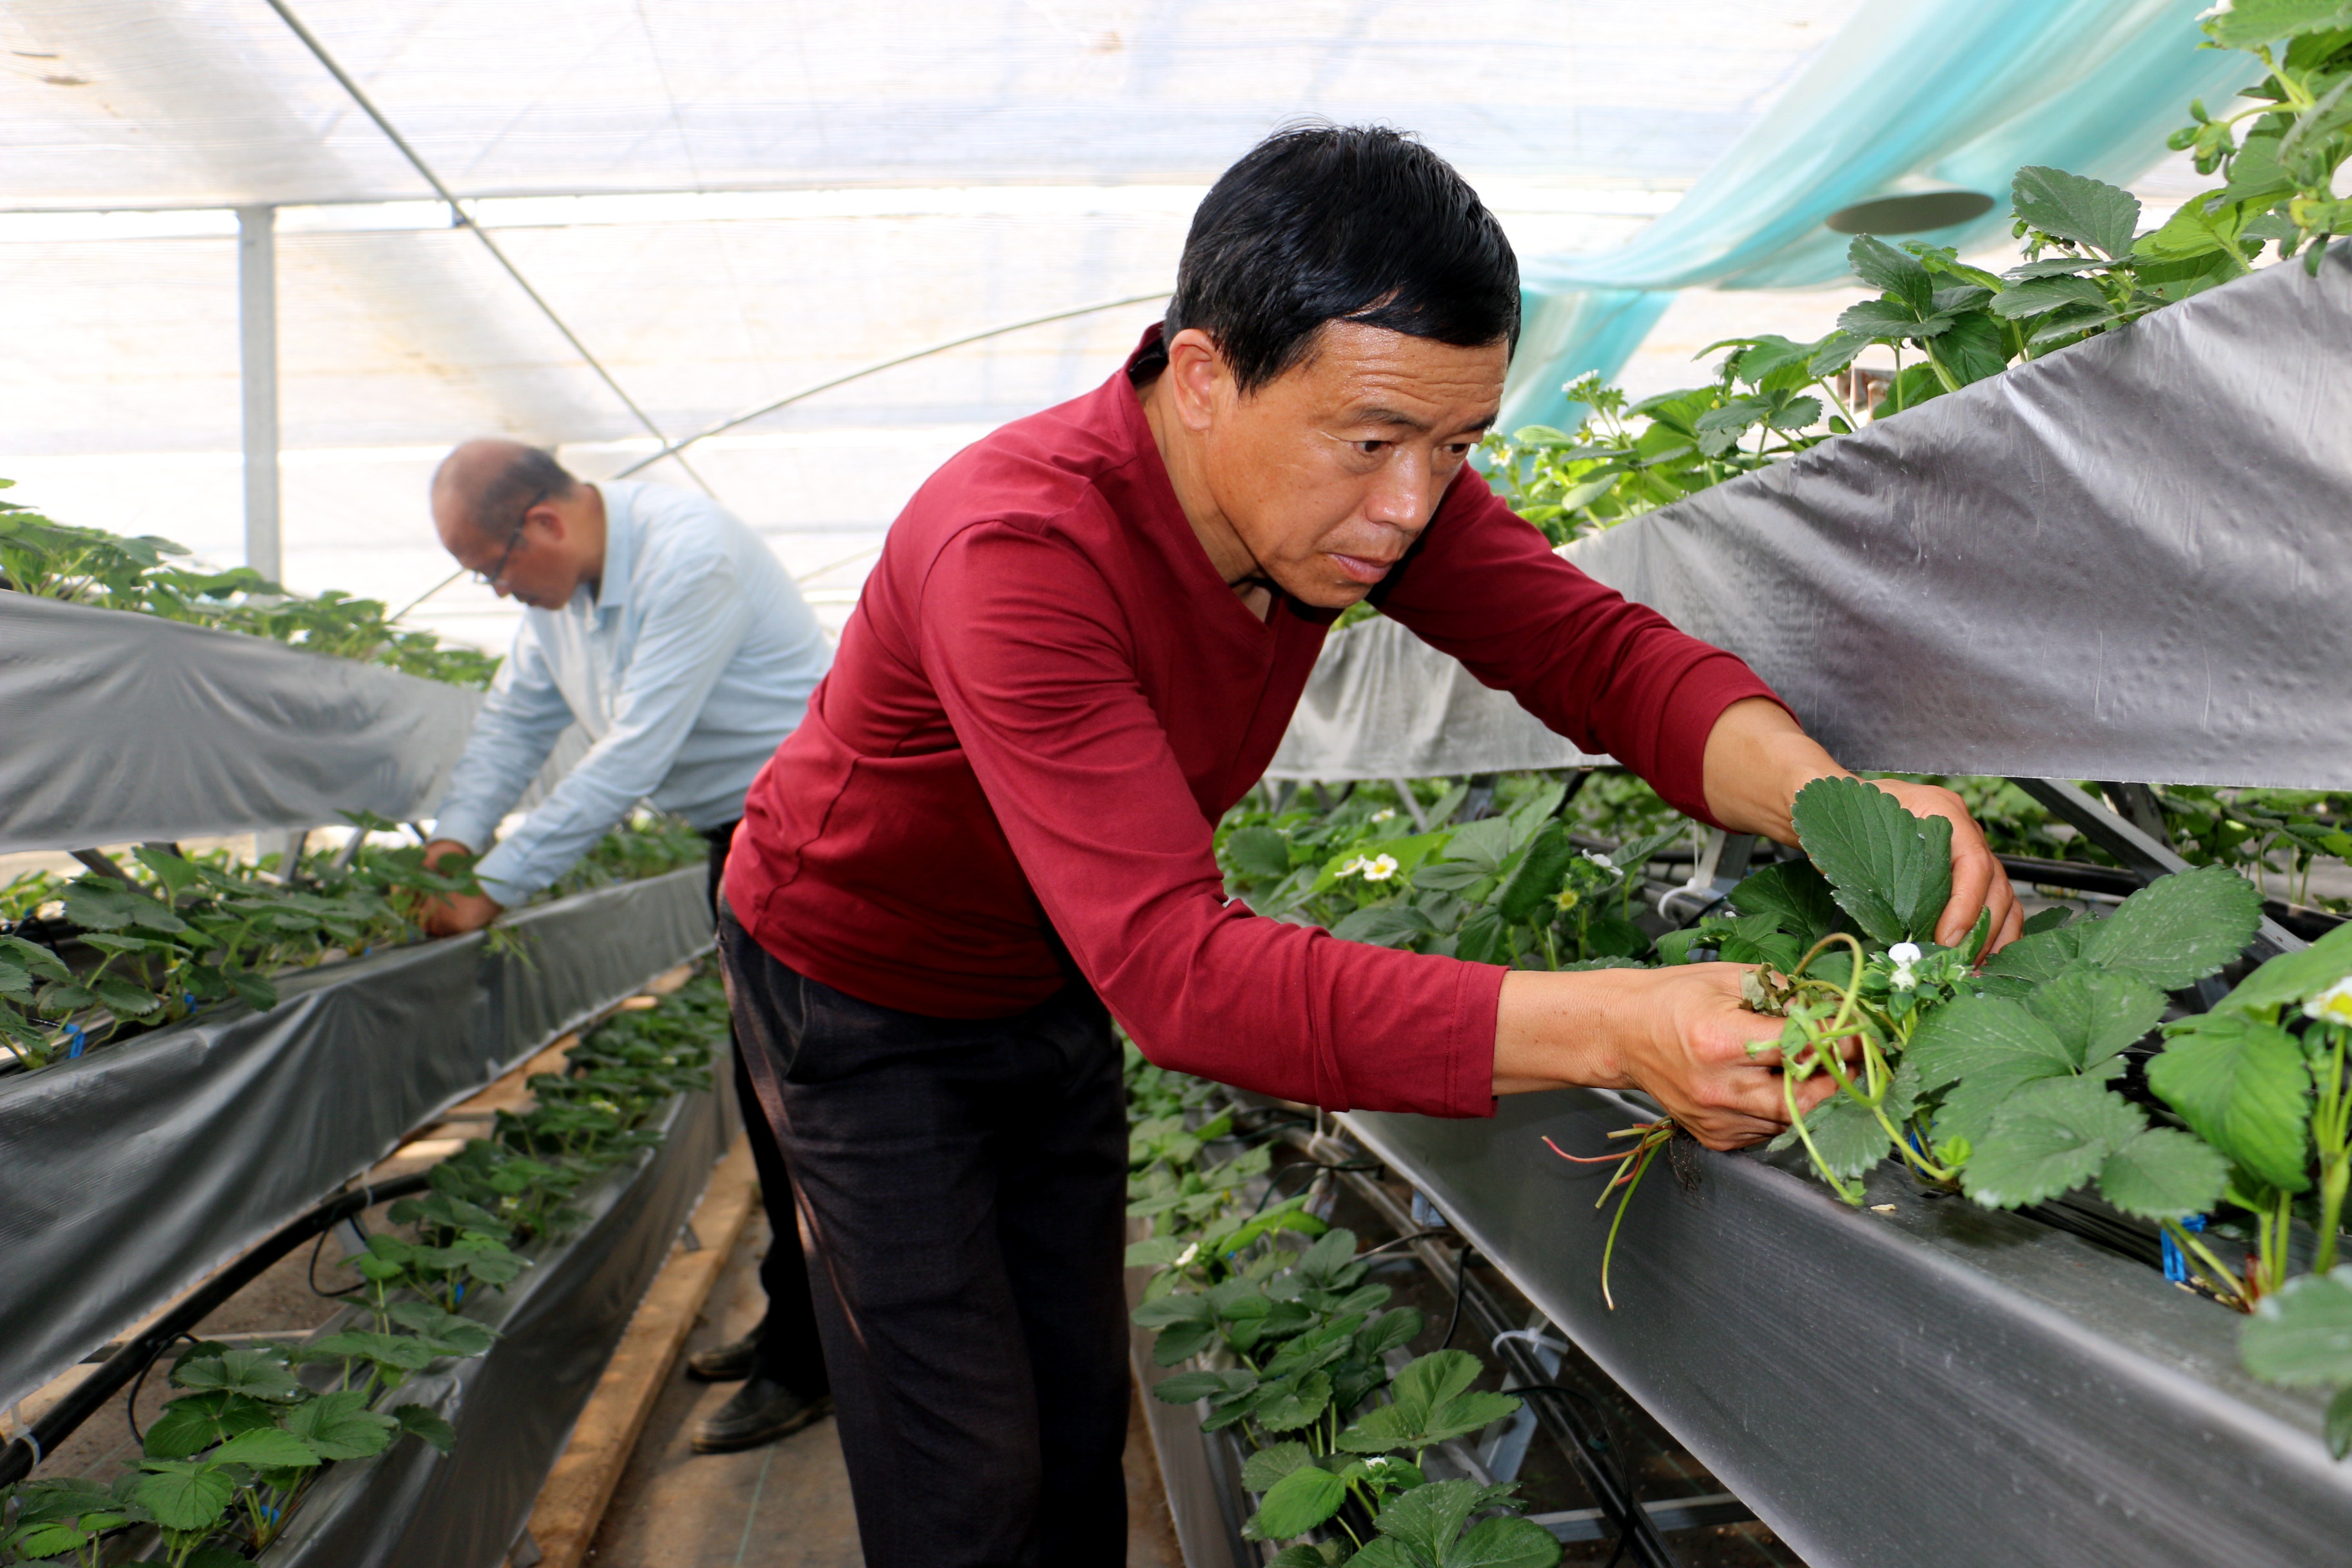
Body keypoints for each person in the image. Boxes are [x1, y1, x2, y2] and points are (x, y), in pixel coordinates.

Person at [718, 127, 2024, 1567]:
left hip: (1047, 972)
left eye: (1457, 446)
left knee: (1076, 1412)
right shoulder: (1019, 552)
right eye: (1374, 444)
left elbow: (1596, 654)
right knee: (964, 1470)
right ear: (1206, 376)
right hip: (856, 988)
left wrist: (1838, 806)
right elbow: (1178, 973)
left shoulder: (1364, 493)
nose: (1412, 506)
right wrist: (1616, 1024)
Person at [417, 441, 839, 1453]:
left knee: (808, 1108)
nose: (499, 591)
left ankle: (815, 1361)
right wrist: (452, 842)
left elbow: (635, 751)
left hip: (822, 838)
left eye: (492, 569)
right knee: (764, 1095)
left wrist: (497, 886)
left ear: (546, 526)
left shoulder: (689, 556)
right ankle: (800, 1321)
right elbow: (512, 731)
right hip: (740, 842)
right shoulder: (559, 613)